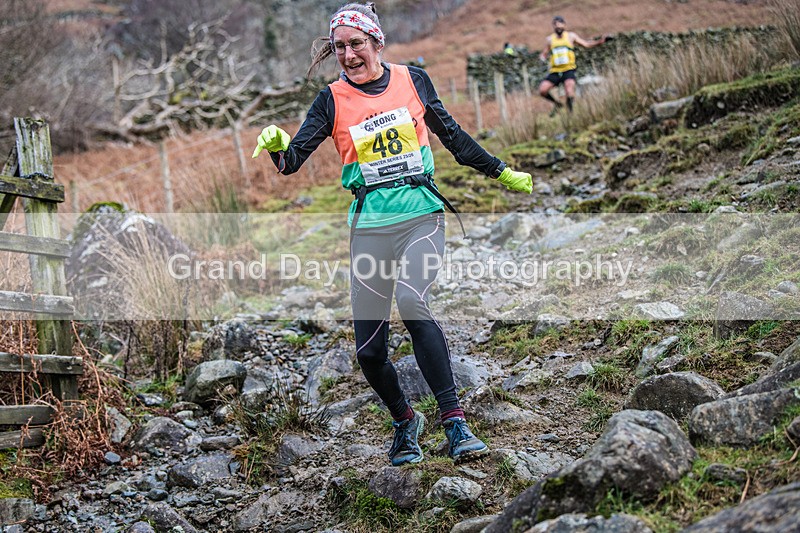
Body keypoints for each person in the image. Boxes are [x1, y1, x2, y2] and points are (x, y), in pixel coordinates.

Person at [252, 2, 533, 466]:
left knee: (413, 301)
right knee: (369, 350)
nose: (348, 54)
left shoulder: (413, 80)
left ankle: (455, 422)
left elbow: (455, 139)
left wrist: (502, 172)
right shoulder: (330, 100)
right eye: (339, 47)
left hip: (421, 216)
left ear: (377, 42)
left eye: (356, 44)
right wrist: (278, 144)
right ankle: (405, 420)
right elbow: (289, 163)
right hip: (369, 229)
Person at [538, 15, 608, 114]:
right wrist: (542, 58)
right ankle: (558, 104)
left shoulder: (571, 36)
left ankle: (570, 113)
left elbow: (586, 44)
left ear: (565, 26)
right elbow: (544, 53)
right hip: (555, 71)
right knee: (542, 90)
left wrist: (600, 42)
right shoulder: (550, 39)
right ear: (553, 27)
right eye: (556, 27)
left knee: (569, 89)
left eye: (560, 26)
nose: (559, 29)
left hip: (568, 69)